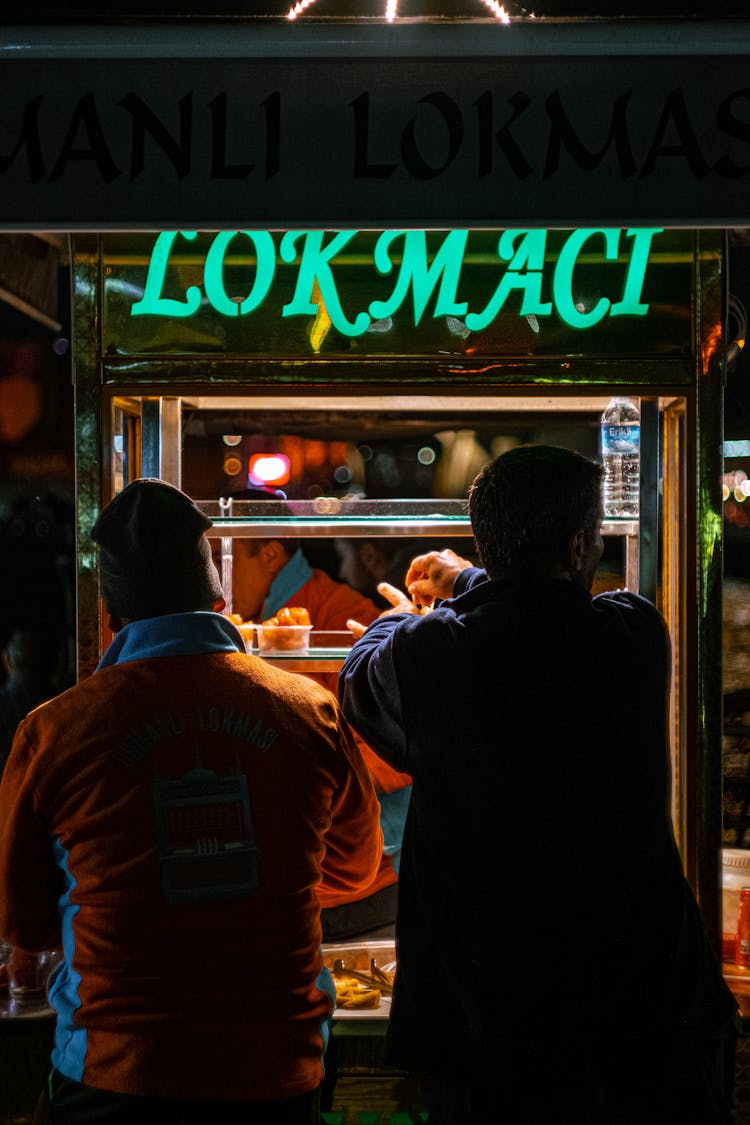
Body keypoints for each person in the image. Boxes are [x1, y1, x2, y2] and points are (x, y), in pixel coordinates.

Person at [339, 444, 736, 1125]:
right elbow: (533, 608)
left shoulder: (429, 654)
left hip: (486, 1019)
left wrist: (418, 611)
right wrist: (467, 583)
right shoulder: (634, 636)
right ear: (579, 541)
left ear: (486, 537)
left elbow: (361, 672)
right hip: (636, 1009)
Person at [0, 478, 384, 1125]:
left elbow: (25, 919)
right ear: (220, 595)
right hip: (278, 1076)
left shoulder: (52, 730)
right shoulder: (310, 712)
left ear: (111, 614)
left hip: (116, 1076)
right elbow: (355, 867)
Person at [233, 523, 411, 942]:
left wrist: (311, 783)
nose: (215, 575)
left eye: (226, 556)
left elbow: (401, 748)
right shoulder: (246, 622)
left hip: (359, 892)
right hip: (287, 881)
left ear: (272, 554)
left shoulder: (342, 613)